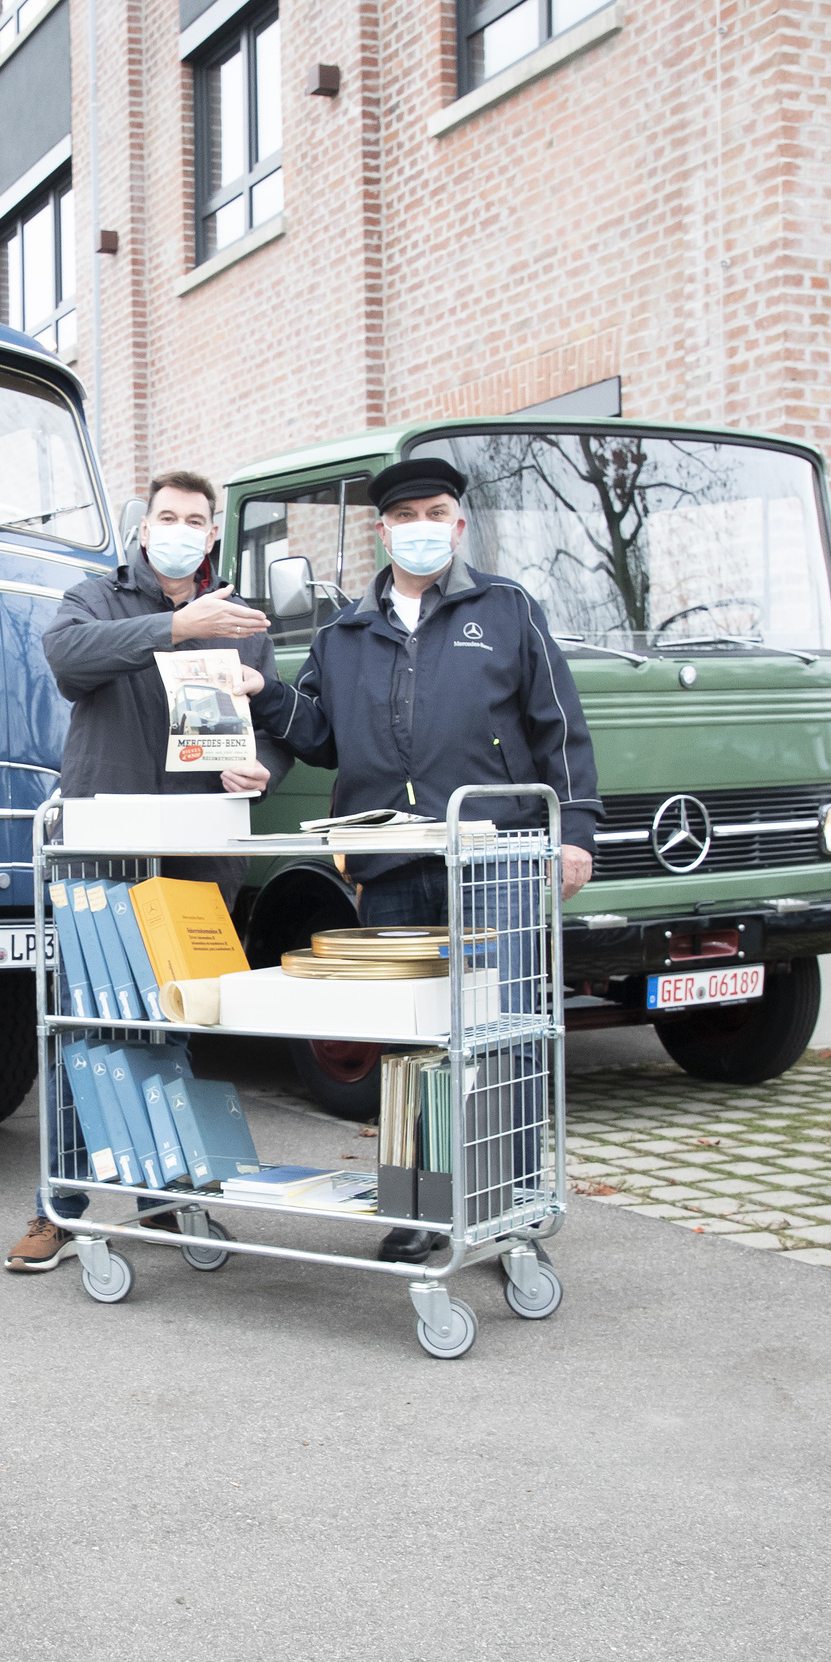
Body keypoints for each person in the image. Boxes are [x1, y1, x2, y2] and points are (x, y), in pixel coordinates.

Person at [248, 454, 602, 1260]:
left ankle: (507, 1205)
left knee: (501, 1030)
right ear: (383, 532)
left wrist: (574, 831)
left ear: (459, 523)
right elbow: (318, 736)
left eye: (434, 512)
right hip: (389, 861)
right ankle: (419, 1204)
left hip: (497, 856)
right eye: (404, 518)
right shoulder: (344, 635)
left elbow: (560, 728)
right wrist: (261, 689)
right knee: (410, 1043)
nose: (420, 529)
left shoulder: (507, 610)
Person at [4, 469, 289, 1273]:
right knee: (82, 1028)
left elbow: (270, 720)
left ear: (213, 536)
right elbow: (68, 660)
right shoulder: (94, 598)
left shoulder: (243, 624)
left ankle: (169, 1200)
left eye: (195, 519)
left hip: (199, 856)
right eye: (167, 515)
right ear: (143, 529)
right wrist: (178, 626)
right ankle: (58, 1208)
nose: (180, 527)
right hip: (107, 854)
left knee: (178, 1022)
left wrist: (258, 767)